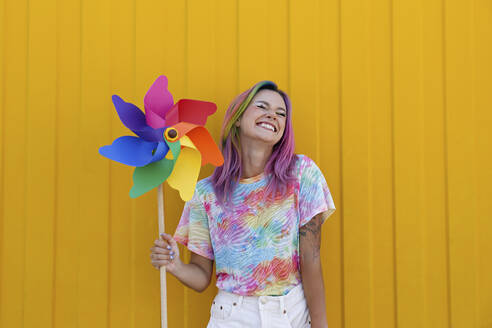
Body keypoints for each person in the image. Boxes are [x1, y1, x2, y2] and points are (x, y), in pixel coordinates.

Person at [150, 81, 336, 328]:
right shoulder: (205, 194)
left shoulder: (301, 173)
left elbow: (311, 260)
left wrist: (320, 326)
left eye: (281, 113)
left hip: (290, 314)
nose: (273, 115)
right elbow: (201, 275)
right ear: (237, 118)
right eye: (262, 106)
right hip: (232, 316)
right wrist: (175, 265)